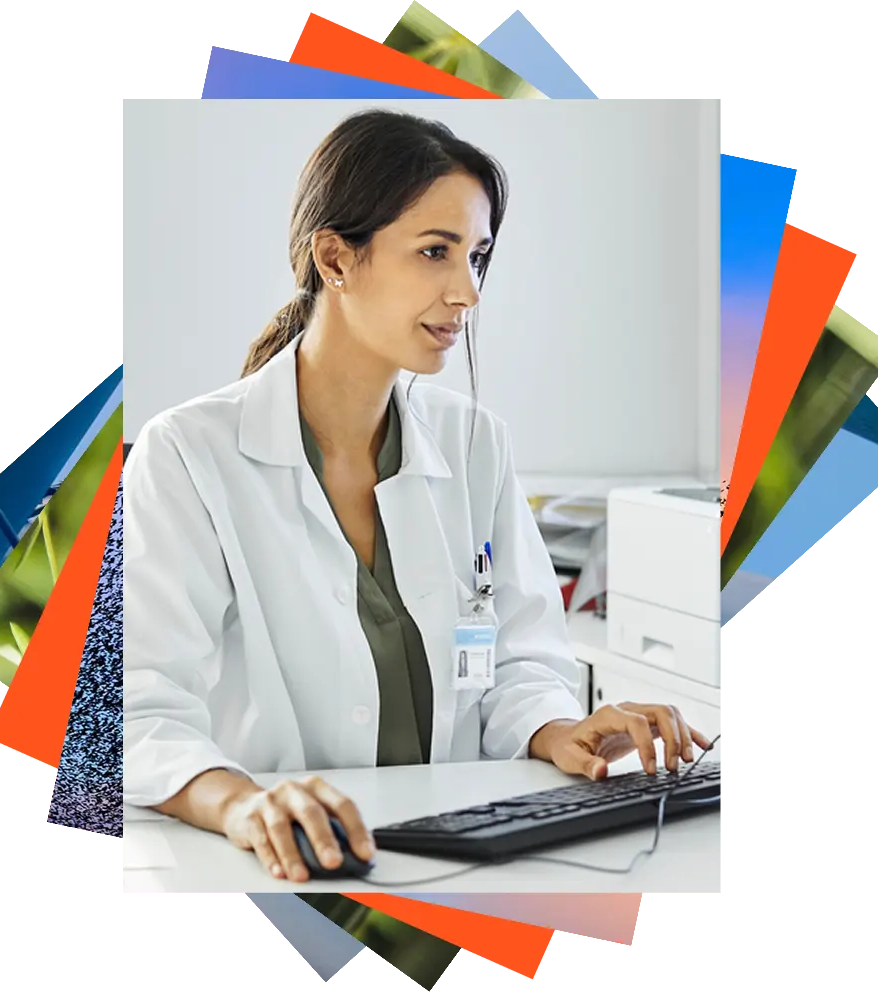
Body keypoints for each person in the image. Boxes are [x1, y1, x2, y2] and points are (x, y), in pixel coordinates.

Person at [123, 109, 713, 885]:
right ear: (335, 258)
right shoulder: (188, 455)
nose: (466, 292)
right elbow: (138, 708)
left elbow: (520, 656)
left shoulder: (474, 443)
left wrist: (558, 727)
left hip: (456, 853)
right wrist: (240, 804)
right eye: (435, 252)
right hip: (272, 867)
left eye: (477, 256)